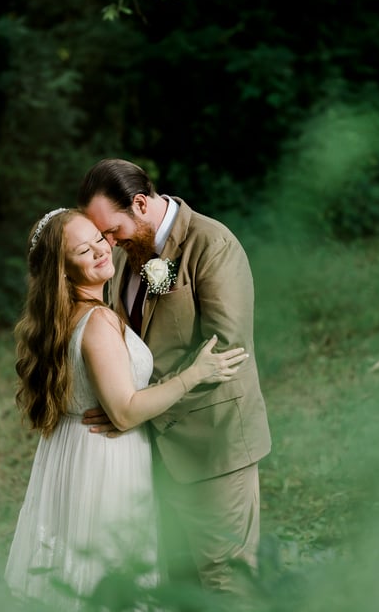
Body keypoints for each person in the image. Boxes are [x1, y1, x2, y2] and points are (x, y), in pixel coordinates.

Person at [4, 207, 249, 610]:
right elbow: (124, 412)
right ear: (63, 272)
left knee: (75, 574)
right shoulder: (98, 321)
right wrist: (194, 374)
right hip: (105, 459)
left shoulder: (63, 316)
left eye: (100, 238)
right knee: (108, 575)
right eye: (85, 249)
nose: (103, 250)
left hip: (75, 452)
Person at [77, 158, 272, 596]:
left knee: (226, 581)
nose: (106, 244)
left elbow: (226, 349)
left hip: (213, 447)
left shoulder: (211, 244)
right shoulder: (128, 258)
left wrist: (134, 410)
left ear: (141, 204)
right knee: (180, 588)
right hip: (156, 459)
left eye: (110, 231)